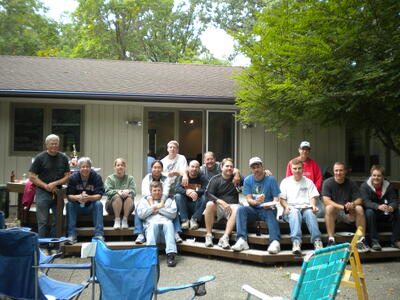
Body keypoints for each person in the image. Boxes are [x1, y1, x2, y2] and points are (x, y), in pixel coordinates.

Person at [232, 157, 281, 254]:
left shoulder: (271, 179)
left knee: (270, 212)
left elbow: (276, 199)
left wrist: (270, 205)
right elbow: (249, 199)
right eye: (253, 167)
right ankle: (242, 240)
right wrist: (255, 202)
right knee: (241, 210)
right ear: (250, 169)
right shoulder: (247, 180)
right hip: (254, 209)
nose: (256, 169)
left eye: (258, 166)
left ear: (262, 167)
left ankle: (275, 241)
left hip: (268, 209)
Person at [29, 134, 70, 239]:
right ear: (47, 145)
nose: (54, 146)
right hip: (42, 193)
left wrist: (55, 183)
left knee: (58, 220)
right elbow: (32, 176)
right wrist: (45, 186)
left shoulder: (63, 158)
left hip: (58, 192)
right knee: (42, 221)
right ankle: (42, 247)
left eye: (56, 144)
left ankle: (53, 244)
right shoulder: (40, 158)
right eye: (52, 144)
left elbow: (67, 176)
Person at [322, 162, 370, 252]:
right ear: (333, 171)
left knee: (359, 208)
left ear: (345, 171)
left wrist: (353, 204)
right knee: (329, 208)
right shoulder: (327, 183)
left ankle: (362, 240)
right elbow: (326, 201)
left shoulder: (351, 183)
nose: (338, 173)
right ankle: (331, 240)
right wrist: (342, 207)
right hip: (335, 214)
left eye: (341, 170)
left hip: (349, 213)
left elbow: (359, 199)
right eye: (336, 170)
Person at [279, 159, 323, 254]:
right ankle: (296, 242)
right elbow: (282, 199)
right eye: (295, 168)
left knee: (310, 213)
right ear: (291, 169)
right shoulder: (285, 182)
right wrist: (286, 206)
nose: (297, 171)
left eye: (299, 168)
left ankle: (317, 241)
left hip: (305, 208)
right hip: (290, 209)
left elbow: (312, 197)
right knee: (294, 212)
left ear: (303, 169)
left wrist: (313, 205)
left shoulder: (309, 182)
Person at [135, 160, 182, 244]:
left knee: (173, 207)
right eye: (155, 167)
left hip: (163, 197)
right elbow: (146, 192)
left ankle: (176, 232)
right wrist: (153, 207)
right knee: (138, 206)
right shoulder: (147, 178)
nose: (157, 169)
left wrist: (161, 204)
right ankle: (140, 233)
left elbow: (166, 192)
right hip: (150, 198)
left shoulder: (166, 178)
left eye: (159, 167)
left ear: (162, 169)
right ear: (151, 168)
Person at [204, 158, 243, 249]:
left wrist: (265, 173)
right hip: (219, 207)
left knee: (237, 208)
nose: (229, 168)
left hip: (232, 207)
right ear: (221, 167)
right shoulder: (215, 179)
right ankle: (209, 235)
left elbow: (251, 179)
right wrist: (221, 202)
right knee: (209, 204)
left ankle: (225, 237)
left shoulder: (237, 178)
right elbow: (208, 194)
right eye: (227, 166)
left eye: (231, 166)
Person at [136, 181, 178, 267]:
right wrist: (152, 208)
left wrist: (160, 210)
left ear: (162, 191)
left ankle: (171, 255)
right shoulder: (144, 201)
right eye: (154, 190)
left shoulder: (168, 201)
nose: (157, 192)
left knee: (169, 223)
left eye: (159, 190)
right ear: (150, 191)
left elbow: (173, 214)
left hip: (165, 234)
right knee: (152, 224)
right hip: (151, 233)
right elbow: (141, 214)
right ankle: (150, 255)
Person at [360, 165, 400, 250]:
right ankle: (375, 242)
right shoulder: (365, 186)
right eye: (374, 175)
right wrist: (378, 206)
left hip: (385, 212)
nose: (376, 178)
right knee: (369, 212)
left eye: (379, 175)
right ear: (371, 175)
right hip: (372, 214)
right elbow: (365, 202)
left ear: (383, 177)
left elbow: (394, 200)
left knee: (398, 211)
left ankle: (396, 241)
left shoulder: (388, 186)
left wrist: (391, 207)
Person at [66, 157, 105, 244]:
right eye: (83, 167)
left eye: (87, 166)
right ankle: (71, 235)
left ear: (90, 168)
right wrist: (78, 197)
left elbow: (99, 195)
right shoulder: (73, 178)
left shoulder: (96, 177)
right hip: (77, 206)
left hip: (90, 207)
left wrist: (89, 198)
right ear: (79, 168)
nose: (85, 169)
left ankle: (99, 234)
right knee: (69, 204)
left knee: (98, 204)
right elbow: (69, 195)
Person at [175, 160, 208, 230]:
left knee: (205, 197)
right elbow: (177, 188)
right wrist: (186, 191)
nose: (194, 169)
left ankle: (194, 219)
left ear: (199, 169)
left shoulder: (202, 177)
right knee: (178, 196)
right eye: (192, 166)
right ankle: (185, 220)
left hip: (197, 204)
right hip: (184, 204)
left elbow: (207, 190)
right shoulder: (183, 177)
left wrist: (195, 191)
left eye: (196, 167)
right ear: (188, 168)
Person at [104, 158, 136, 230]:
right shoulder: (110, 178)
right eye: (118, 165)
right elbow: (108, 191)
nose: (120, 167)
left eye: (122, 165)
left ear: (125, 167)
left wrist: (128, 191)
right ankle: (117, 220)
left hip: (127, 207)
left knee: (130, 196)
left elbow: (134, 191)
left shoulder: (130, 178)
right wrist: (118, 192)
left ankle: (125, 219)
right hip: (112, 206)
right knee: (117, 196)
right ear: (114, 167)